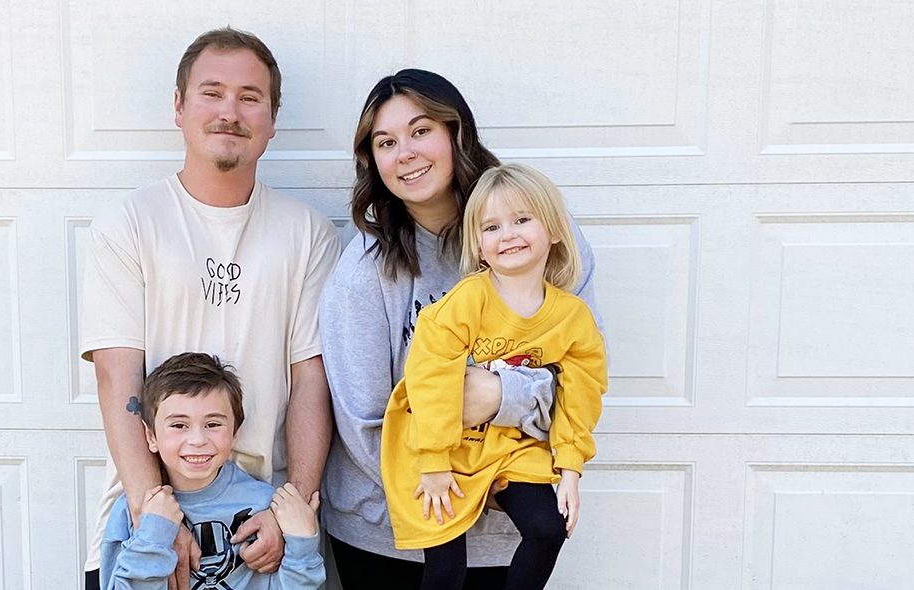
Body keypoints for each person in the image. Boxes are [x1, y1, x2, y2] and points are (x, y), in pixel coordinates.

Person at [319, 69, 606, 589]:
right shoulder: (363, 271)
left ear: (457, 132)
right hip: (394, 529)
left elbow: (581, 377)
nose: (405, 152)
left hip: (508, 532)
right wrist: (456, 480)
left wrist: (498, 395)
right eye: (386, 142)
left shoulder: (539, 235)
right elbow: (365, 421)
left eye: (421, 130)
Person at [81, 27, 342, 590]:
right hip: (143, 531)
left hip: (258, 539)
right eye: (212, 92)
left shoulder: (308, 234)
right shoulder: (128, 225)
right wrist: (155, 510)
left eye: (250, 97)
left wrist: (291, 508)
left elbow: (312, 382)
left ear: (271, 120)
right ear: (178, 106)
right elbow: (116, 376)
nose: (231, 111)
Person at [380, 163, 607, 590]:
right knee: (447, 570)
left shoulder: (573, 319)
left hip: (510, 447)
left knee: (548, 527)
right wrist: (432, 463)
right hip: (442, 445)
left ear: (556, 230)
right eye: (492, 227)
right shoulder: (465, 302)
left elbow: (583, 393)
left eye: (522, 220)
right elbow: (429, 378)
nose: (508, 235)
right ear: (479, 247)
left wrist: (571, 470)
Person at [100, 352, 325, 590]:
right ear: (151, 436)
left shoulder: (265, 505)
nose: (197, 439)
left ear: (235, 433)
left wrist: (302, 545)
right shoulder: (131, 512)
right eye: (179, 425)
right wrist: (154, 534)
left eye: (213, 424)